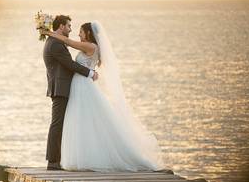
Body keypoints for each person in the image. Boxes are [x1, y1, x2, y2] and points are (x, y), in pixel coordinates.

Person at [43, 20, 164, 171]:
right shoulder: (91, 47)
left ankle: (69, 159)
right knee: (82, 121)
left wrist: (49, 33)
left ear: (88, 33)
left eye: (80, 31)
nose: (78, 33)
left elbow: (68, 41)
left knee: (83, 120)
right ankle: (79, 156)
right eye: (73, 28)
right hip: (80, 85)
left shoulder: (90, 46)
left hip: (83, 85)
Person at [43, 15, 98, 170]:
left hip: (63, 87)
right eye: (68, 26)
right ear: (61, 26)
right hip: (60, 88)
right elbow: (69, 64)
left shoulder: (54, 42)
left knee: (61, 124)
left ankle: (57, 160)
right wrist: (90, 73)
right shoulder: (55, 44)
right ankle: (53, 162)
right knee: (57, 124)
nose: (71, 29)